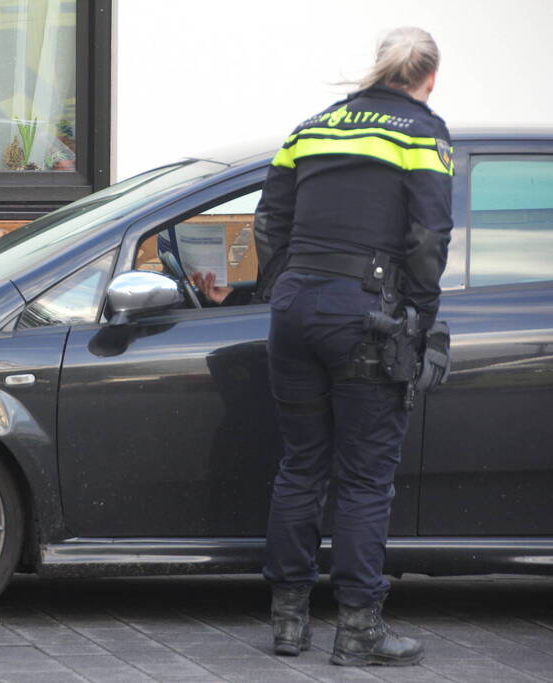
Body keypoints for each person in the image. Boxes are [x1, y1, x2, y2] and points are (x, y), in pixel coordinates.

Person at [254, 27, 452, 666]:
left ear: (380, 67)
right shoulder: (422, 132)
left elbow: (268, 219)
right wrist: (422, 317)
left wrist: (284, 283)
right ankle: (359, 630)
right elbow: (429, 237)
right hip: (366, 316)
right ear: (429, 78)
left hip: (294, 311)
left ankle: (288, 623)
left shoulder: (312, 127)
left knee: (300, 466)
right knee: (365, 479)